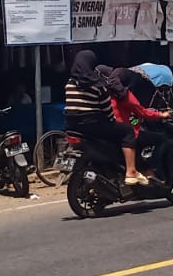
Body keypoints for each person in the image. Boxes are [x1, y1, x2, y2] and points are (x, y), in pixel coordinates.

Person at [64, 50, 150, 185]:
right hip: (95, 126)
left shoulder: (69, 83)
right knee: (127, 131)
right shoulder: (99, 85)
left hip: (73, 126)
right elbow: (108, 111)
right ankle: (131, 171)